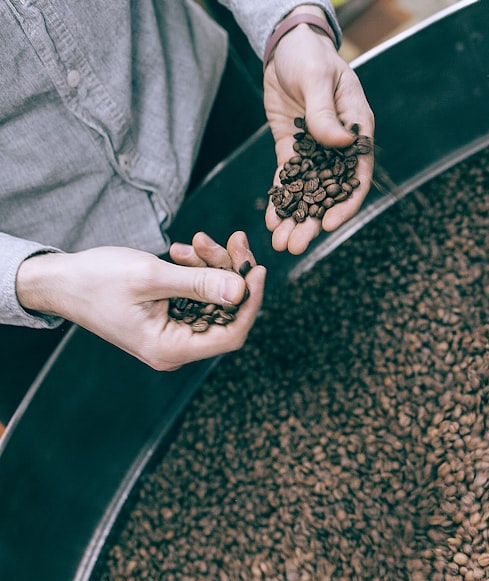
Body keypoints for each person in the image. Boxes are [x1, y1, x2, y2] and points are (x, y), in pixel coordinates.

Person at [0, 0, 375, 381]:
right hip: (41, 281)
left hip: (201, 107)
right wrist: (35, 282)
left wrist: (293, 24)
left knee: (330, 304)